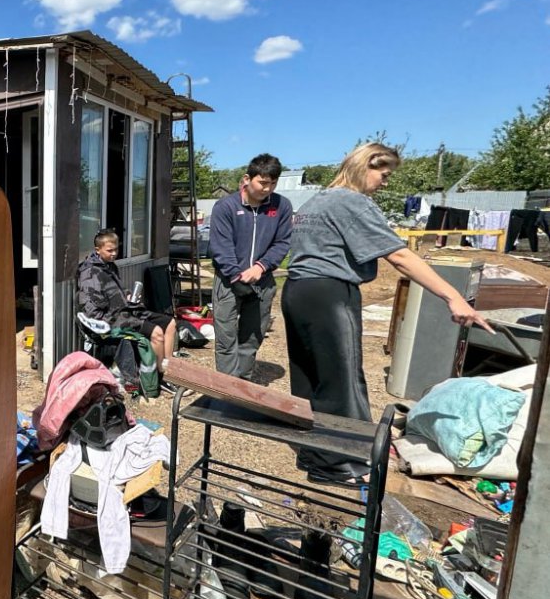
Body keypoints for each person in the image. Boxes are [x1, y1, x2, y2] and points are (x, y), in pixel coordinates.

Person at [281, 142, 491, 486]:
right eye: (384, 173)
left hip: (297, 291)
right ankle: (344, 465)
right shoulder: (351, 201)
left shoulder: (316, 201)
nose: (386, 182)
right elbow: (400, 257)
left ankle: (316, 453)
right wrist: (453, 296)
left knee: (309, 379)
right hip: (330, 294)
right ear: (365, 165)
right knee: (341, 380)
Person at [209, 154, 293, 381]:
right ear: (247, 179)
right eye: (263, 183)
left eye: (273, 183)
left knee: (252, 337)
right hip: (228, 282)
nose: (268, 188)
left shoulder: (282, 206)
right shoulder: (225, 207)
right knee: (226, 338)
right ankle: (227, 390)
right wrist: (237, 276)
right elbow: (221, 246)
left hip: (262, 281)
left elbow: (283, 242)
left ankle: (243, 383)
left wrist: (261, 267)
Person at [77, 229, 178, 394]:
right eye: (109, 250)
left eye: (116, 249)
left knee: (170, 323)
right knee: (157, 333)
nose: (114, 253)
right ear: (97, 250)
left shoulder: (110, 266)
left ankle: (169, 371)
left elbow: (116, 290)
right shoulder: (89, 272)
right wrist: (110, 320)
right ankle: (159, 378)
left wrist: (127, 296)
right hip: (111, 319)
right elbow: (91, 308)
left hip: (126, 309)